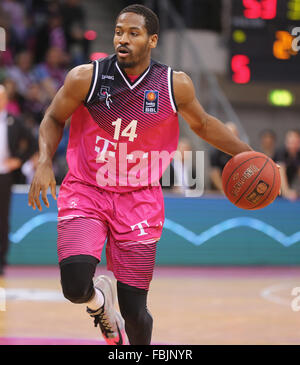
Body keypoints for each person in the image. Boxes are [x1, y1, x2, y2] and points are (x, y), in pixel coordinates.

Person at [28, 4, 252, 345]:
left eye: (134, 33)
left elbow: (204, 124)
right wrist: (45, 160)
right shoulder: (85, 78)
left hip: (140, 199)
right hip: (87, 190)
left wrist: (247, 154)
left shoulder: (173, 85)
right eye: (119, 31)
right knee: (75, 287)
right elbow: (54, 117)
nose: (123, 39)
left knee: (135, 310)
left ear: (152, 40)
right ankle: (100, 305)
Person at [0, 85, 37, 275]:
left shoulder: (14, 121)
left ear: (6, 100)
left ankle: (0, 261)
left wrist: (19, 160)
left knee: (2, 218)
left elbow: (33, 142)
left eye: (1, 97)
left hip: (5, 175)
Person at [209, 121, 240, 193]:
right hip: (221, 190)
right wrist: (223, 190)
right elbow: (214, 173)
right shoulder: (216, 151)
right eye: (228, 133)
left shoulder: (241, 152)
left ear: (237, 135)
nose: (231, 136)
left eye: (233, 133)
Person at [274, 129, 300, 201]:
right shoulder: (280, 152)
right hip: (272, 187)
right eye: (290, 141)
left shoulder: (298, 155)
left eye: (295, 142)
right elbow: (281, 173)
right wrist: (286, 192)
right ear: (286, 141)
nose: (292, 144)